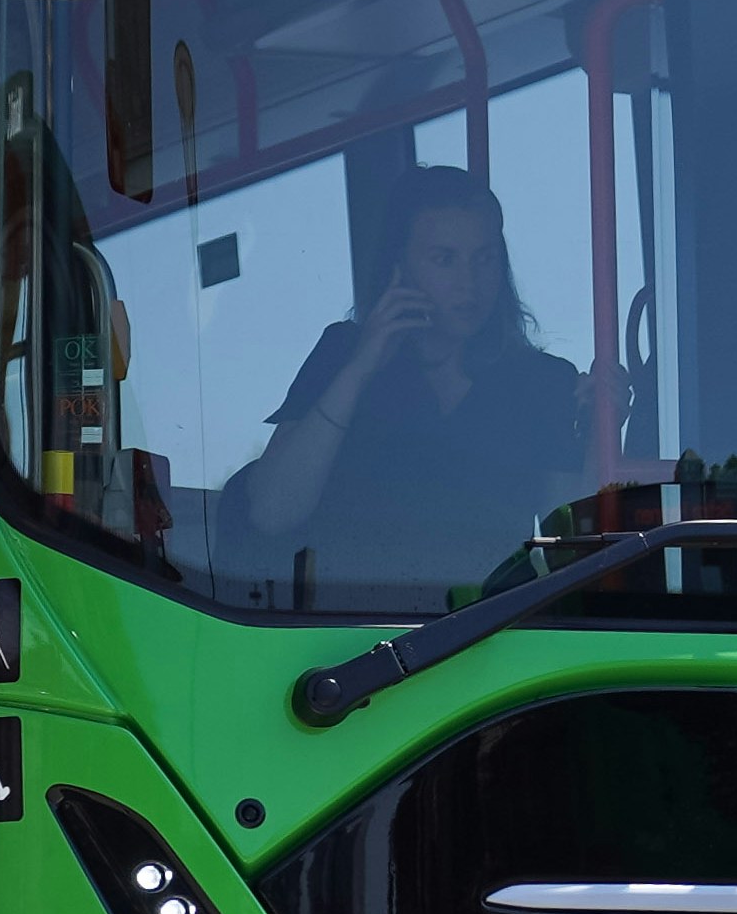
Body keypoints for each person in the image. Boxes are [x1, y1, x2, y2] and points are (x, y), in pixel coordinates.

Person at [225, 167, 587, 604]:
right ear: (400, 267)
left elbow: (568, 549)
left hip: (487, 633)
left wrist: (597, 429)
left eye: (484, 258)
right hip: (348, 633)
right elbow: (271, 511)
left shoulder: (544, 381)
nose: (469, 282)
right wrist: (361, 369)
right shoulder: (344, 352)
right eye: (444, 259)